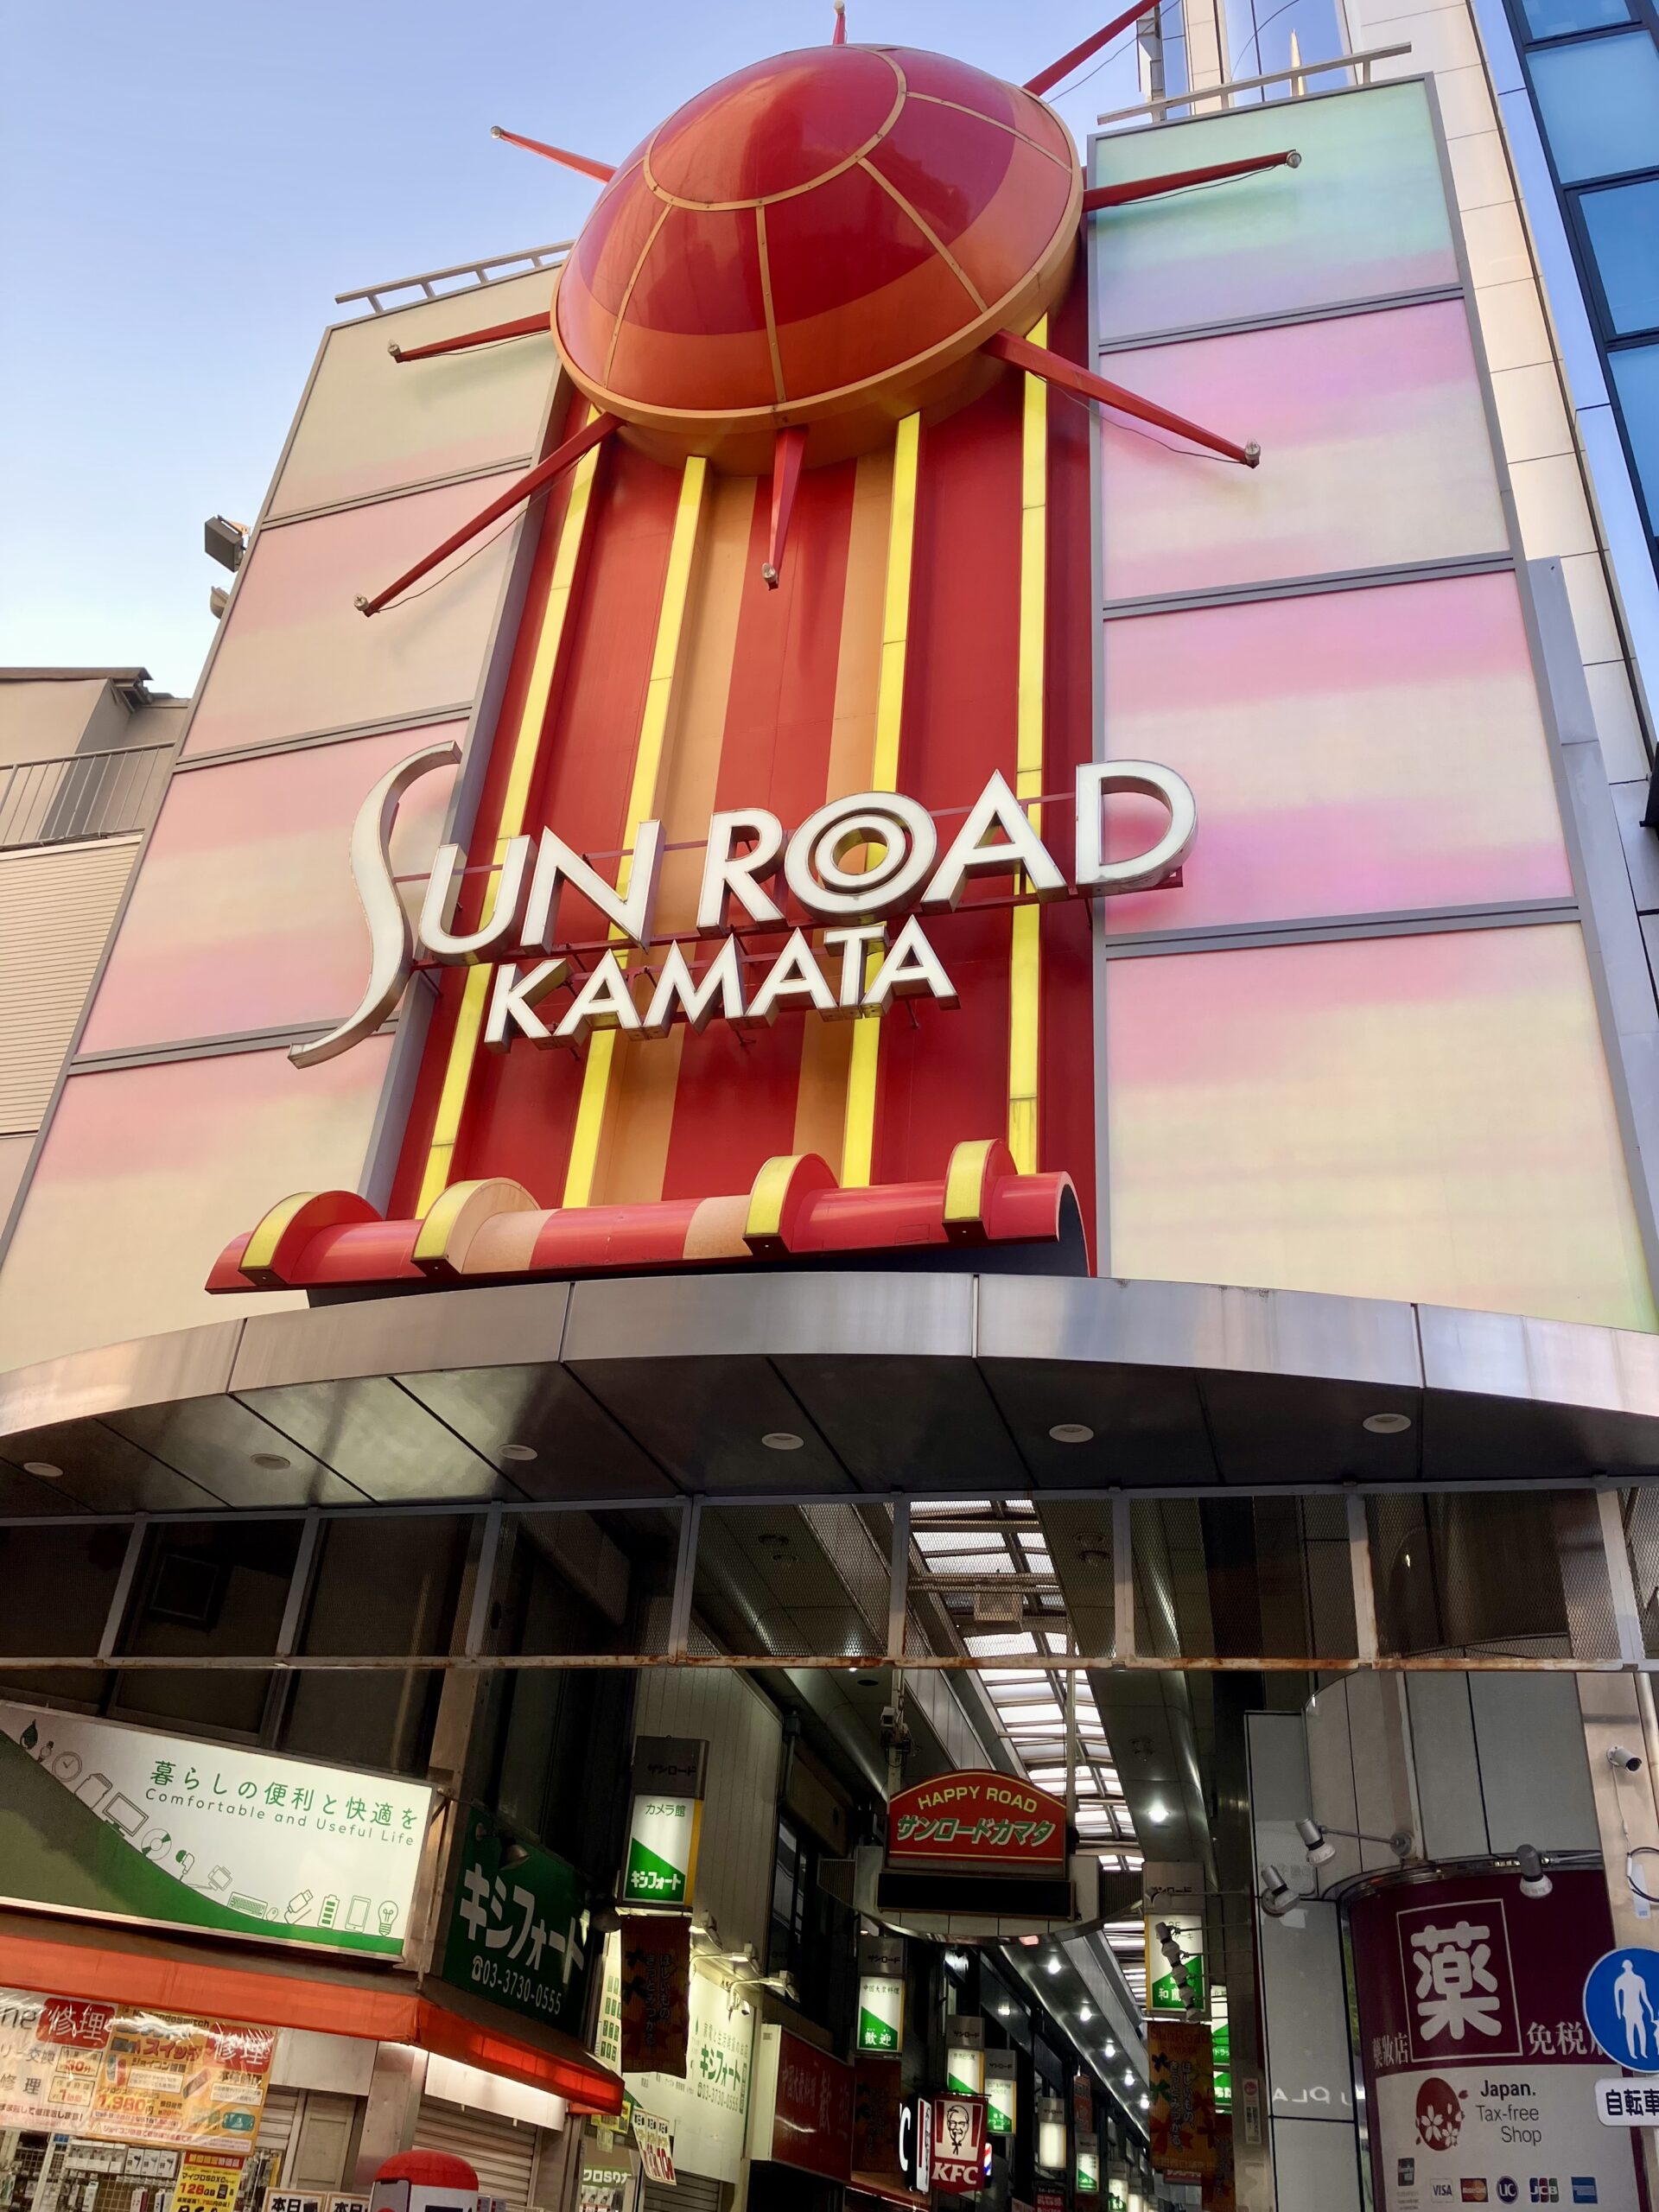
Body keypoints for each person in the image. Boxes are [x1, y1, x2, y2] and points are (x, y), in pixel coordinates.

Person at [1614, 1956, 1656, 2061]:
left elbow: (1645, 1997)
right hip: (1628, 2010)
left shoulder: (1639, 1979)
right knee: (1633, 2031)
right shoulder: (1621, 1980)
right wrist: (1618, 2011)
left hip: (1637, 2009)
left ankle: (1642, 2052)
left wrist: (1650, 2010)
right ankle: (1633, 2054)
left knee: (1639, 2031)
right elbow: (1617, 1998)